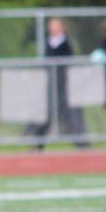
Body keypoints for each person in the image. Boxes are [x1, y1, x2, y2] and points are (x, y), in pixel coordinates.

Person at [30, 17, 88, 150]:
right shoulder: (48, 42)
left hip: (65, 84)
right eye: (51, 26)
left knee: (72, 114)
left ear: (62, 27)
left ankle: (81, 143)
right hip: (52, 84)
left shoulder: (66, 42)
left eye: (55, 26)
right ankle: (38, 144)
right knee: (47, 113)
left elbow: (69, 62)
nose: (52, 28)